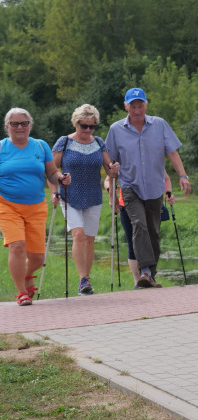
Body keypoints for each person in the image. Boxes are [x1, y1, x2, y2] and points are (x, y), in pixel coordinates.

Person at [104, 87, 191, 288]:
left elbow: (173, 153)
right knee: (139, 225)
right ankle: (144, 271)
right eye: (132, 106)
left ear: (146, 105)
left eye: (140, 105)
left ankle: (150, 274)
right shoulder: (116, 130)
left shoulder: (159, 124)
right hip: (129, 186)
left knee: (153, 231)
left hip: (154, 188)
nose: (137, 110)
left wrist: (183, 175)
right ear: (126, 107)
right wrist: (111, 177)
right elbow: (109, 160)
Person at [0, 108, 70, 305]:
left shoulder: (40, 146)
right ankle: (22, 293)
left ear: (30, 125)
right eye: (15, 124)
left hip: (36, 206)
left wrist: (61, 178)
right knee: (17, 245)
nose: (20, 127)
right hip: (6, 205)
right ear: (7, 127)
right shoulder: (1, 148)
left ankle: (26, 273)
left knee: (38, 258)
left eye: (24, 123)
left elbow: (51, 172)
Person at [51, 104, 119, 295]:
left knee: (89, 239)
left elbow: (109, 169)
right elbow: (52, 170)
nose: (88, 130)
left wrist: (113, 171)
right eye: (84, 126)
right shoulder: (63, 142)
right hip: (69, 195)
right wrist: (55, 189)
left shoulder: (98, 143)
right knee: (79, 235)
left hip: (93, 195)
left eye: (92, 126)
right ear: (75, 123)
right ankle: (82, 279)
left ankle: (86, 278)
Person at [106, 172, 172, 288]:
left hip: (149, 202)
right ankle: (138, 280)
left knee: (151, 239)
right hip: (125, 205)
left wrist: (168, 192)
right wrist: (111, 191)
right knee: (133, 244)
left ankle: (149, 276)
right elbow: (108, 180)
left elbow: (165, 177)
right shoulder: (123, 159)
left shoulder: (150, 159)